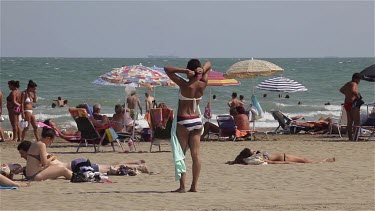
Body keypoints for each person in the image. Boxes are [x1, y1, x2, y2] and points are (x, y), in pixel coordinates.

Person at [165, 59, 211, 193]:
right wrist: (202, 69)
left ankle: (182, 187)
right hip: (196, 121)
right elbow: (209, 64)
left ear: (189, 70)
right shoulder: (203, 83)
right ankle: (194, 186)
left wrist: (183, 71)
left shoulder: (184, 84)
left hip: (184, 120)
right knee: (196, 155)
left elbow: (167, 69)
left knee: (181, 155)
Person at [17, 140, 149, 174]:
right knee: (109, 165)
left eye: (22, 153)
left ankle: (139, 166)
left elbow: (42, 167)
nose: (22, 156)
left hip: (77, 166)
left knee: (110, 167)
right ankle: (135, 162)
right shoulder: (40, 156)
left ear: (27, 151)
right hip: (76, 163)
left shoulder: (41, 159)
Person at [226, 148, 335, 165]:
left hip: (284, 156)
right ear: (250, 155)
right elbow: (273, 162)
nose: (255, 150)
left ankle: (322, 161)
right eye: (253, 151)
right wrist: (287, 163)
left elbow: (237, 161)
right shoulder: (259, 158)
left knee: (305, 160)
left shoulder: (252, 157)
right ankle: (323, 161)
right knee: (305, 160)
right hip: (285, 158)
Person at [340, 73, 362, 141]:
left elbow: (341, 90)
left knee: (350, 121)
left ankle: (350, 137)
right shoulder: (354, 84)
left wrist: (347, 94)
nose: (359, 82)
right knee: (356, 121)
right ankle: (356, 137)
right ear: (356, 79)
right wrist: (358, 97)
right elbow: (354, 91)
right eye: (359, 80)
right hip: (353, 103)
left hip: (347, 103)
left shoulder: (347, 83)